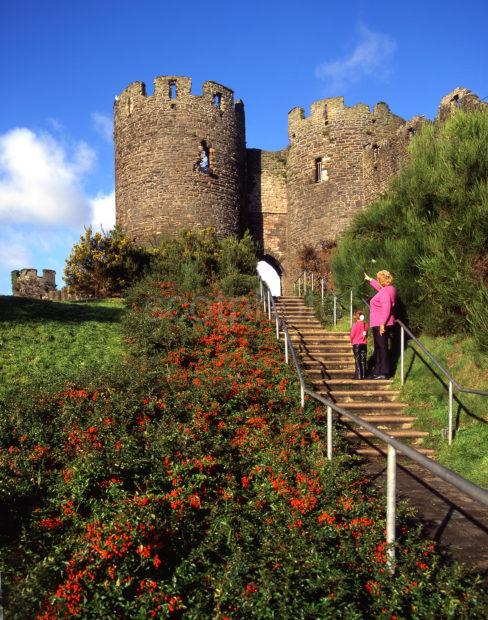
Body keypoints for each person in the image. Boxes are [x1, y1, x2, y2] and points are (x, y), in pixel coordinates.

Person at [364, 270, 397, 379]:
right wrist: (370, 280)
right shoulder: (389, 289)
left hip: (380, 323)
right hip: (379, 323)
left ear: (382, 280)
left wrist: (382, 324)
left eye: (378, 279)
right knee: (378, 348)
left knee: (382, 348)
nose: (377, 281)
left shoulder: (385, 292)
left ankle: (384, 372)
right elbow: (380, 288)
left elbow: (386, 308)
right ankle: (377, 370)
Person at [350, 309, 368, 380]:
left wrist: (351, 341)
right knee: (363, 360)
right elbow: (366, 334)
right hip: (364, 343)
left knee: (357, 359)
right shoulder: (366, 325)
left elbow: (352, 335)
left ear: (356, 317)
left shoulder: (355, 325)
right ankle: (364, 375)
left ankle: (359, 376)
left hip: (356, 343)